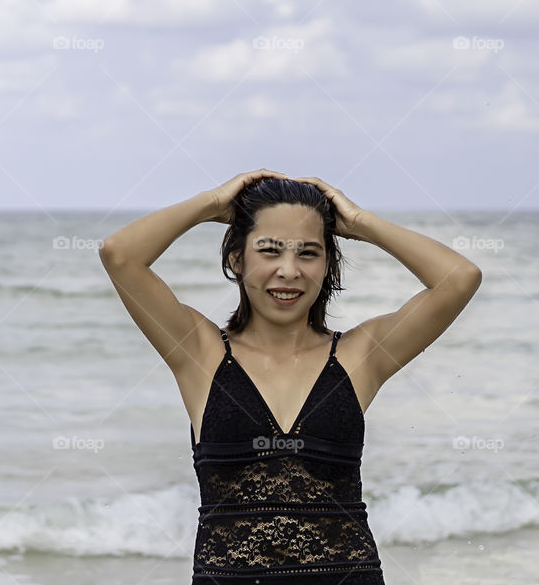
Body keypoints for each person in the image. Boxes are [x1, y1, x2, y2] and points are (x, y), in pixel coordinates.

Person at [97, 170, 482, 584]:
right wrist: (211, 203)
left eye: (308, 253)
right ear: (236, 259)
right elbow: (120, 254)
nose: (289, 270)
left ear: (328, 264)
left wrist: (360, 222)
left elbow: (459, 278)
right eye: (270, 250)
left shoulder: (360, 355)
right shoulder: (199, 353)